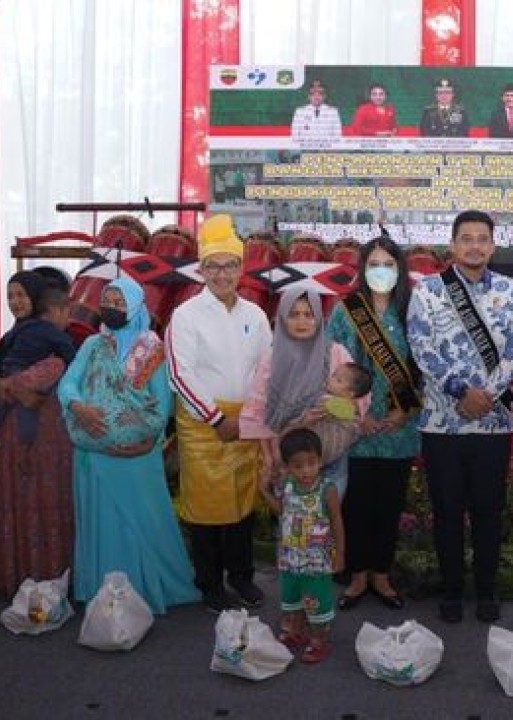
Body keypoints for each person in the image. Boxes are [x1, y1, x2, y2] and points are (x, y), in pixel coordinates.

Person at [407, 209, 513, 624]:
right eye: (467, 238)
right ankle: (452, 590)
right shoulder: (427, 291)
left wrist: (488, 395)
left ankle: (486, 589)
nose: (475, 245)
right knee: (446, 509)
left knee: (487, 509)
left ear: (492, 246)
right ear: (453, 245)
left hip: (494, 424)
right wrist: (462, 392)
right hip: (442, 422)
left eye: (482, 238)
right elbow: (422, 348)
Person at [58, 276, 199, 613]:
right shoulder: (93, 346)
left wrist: (148, 443)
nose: (112, 308)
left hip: (138, 457)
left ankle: (145, 589)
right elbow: (68, 384)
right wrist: (79, 407)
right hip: (93, 456)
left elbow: (161, 404)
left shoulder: (152, 348)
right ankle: (100, 590)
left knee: (143, 522)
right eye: (107, 301)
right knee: (101, 523)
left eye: (121, 303)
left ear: (136, 306)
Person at [167, 214, 272, 611]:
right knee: (207, 507)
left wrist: (253, 416)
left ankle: (242, 578)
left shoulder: (256, 315)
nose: (222, 274)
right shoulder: (187, 314)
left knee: (242, 503)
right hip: (202, 424)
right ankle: (209, 584)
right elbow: (180, 373)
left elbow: (266, 367)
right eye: (214, 266)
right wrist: (215, 419)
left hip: (243, 422)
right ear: (202, 270)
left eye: (230, 265)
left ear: (241, 268)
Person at [326, 235, 421, 611]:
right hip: (356, 429)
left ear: (400, 269)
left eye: (389, 264)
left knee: (388, 503)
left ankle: (382, 575)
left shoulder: (414, 309)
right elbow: (332, 367)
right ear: (363, 270)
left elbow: (425, 365)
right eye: (374, 264)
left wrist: (405, 409)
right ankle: (358, 574)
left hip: (400, 428)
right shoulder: (346, 310)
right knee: (357, 504)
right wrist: (356, 416)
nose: (381, 271)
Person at [0, 271, 75, 597]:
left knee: (46, 500)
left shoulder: (51, 338)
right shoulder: (14, 335)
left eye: (21, 295)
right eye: (10, 296)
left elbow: (51, 374)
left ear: (36, 299)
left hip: (48, 437)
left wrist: (10, 384)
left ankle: (49, 578)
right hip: (13, 432)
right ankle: (16, 576)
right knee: (16, 499)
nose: (15, 302)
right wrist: (6, 385)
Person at [239, 287, 366, 498]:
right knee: (292, 524)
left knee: (327, 523)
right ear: (281, 318)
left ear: (319, 318)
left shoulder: (335, 352)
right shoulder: (271, 360)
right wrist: (270, 458)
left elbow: (360, 399)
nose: (302, 321)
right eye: (293, 314)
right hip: (288, 461)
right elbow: (258, 413)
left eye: (309, 314)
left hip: (331, 458)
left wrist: (331, 409)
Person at [259, 428, 345, 664]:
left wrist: (340, 554)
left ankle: (318, 641)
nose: (306, 471)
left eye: (311, 463)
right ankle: (294, 632)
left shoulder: (327, 489)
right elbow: (281, 511)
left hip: (316, 563)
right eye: (298, 466)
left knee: (315, 602)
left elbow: (337, 521)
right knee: (291, 599)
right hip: (290, 560)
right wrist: (264, 490)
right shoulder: (287, 485)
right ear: (287, 467)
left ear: (320, 460)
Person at [0, 285, 75, 446]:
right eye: (68, 314)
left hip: (8, 368)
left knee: (4, 404)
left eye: (21, 295)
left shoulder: (24, 327)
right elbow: (70, 355)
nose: (70, 320)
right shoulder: (55, 334)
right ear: (56, 311)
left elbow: (7, 343)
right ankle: (26, 440)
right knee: (27, 411)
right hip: (21, 375)